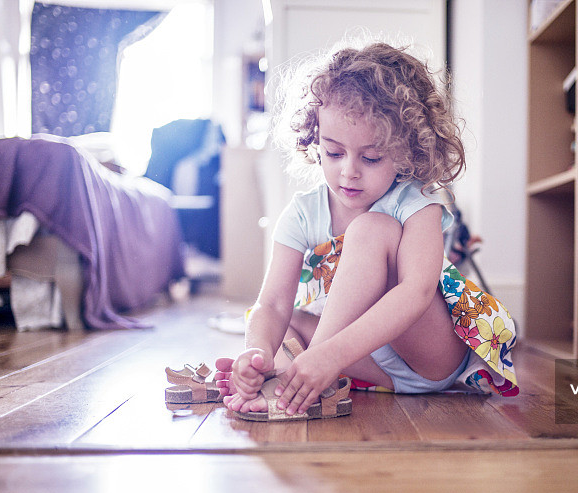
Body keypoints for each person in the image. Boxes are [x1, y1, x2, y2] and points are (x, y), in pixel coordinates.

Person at [215, 39, 518, 420]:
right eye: (334, 152)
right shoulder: (303, 212)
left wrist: (329, 353)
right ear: (316, 140)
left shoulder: (416, 202)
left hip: (428, 357)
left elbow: (417, 291)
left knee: (371, 228)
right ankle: (279, 377)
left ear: (407, 148)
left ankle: (312, 370)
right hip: (373, 365)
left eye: (372, 157)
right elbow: (273, 303)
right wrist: (256, 351)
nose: (349, 172)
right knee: (280, 319)